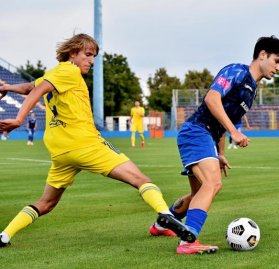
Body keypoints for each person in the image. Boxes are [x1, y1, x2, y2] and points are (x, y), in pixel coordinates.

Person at [0, 33, 195, 248]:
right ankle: (165, 216)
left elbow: (29, 87)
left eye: (93, 56)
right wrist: (19, 118)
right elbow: (37, 90)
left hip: (60, 152)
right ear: (72, 53)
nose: (91, 61)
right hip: (84, 143)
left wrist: (7, 88)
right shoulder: (69, 71)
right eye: (88, 54)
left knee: (46, 203)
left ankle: (5, 235)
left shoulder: (55, 73)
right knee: (141, 180)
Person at [149, 35, 279, 254]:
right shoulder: (237, 71)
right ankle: (188, 241)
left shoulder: (251, 91)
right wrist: (235, 132)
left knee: (199, 194)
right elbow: (212, 99)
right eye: (277, 61)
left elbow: (224, 121)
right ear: (262, 55)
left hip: (205, 136)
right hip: (196, 131)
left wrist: (221, 152)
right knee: (213, 184)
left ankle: (161, 224)